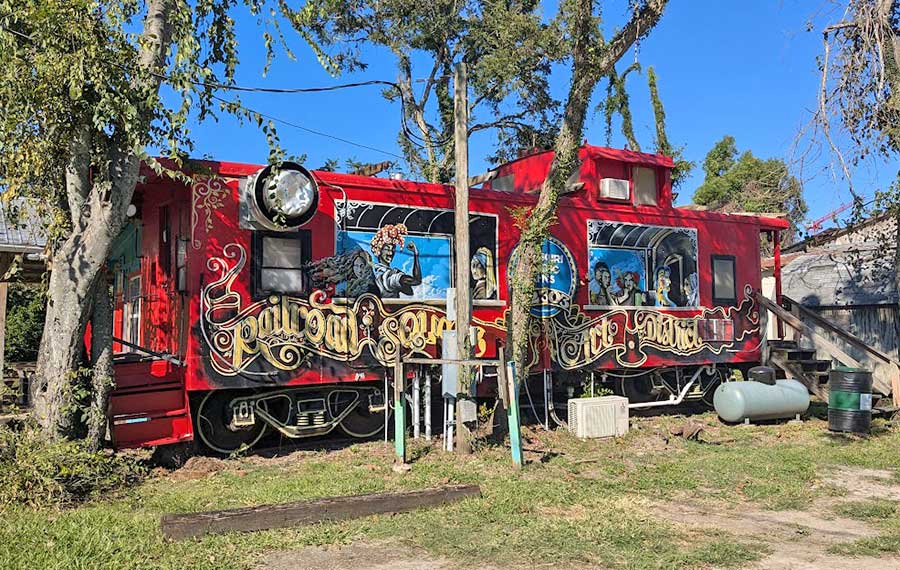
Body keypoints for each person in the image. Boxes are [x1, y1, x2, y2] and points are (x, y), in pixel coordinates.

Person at [369, 223, 421, 298]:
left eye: (393, 249)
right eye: (387, 249)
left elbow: (409, 291)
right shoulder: (388, 276)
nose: (390, 253)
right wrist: (416, 254)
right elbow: (416, 281)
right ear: (379, 250)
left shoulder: (380, 272)